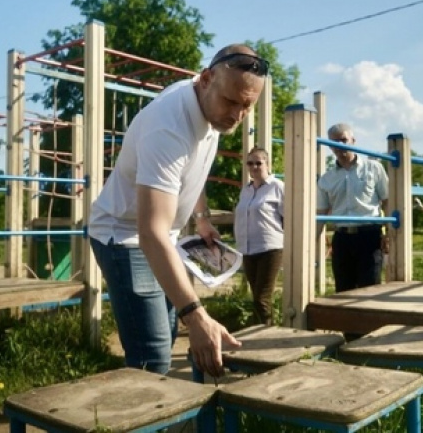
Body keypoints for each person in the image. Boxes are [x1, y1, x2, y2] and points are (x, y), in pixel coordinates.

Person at [87, 44, 267, 377]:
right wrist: (197, 316)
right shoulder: (167, 127)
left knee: (166, 334)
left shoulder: (209, 106)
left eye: (247, 105)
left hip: (162, 236)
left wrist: (200, 218)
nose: (236, 115)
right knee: (152, 353)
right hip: (124, 235)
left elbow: (188, 174)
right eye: (230, 101)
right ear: (206, 79)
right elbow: (150, 232)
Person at [317, 123, 389, 293]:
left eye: (344, 140)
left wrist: (391, 234)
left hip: (369, 236)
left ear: (353, 141)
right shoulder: (327, 178)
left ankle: (371, 320)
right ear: (330, 146)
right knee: (343, 290)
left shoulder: (373, 168)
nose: (340, 145)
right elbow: (320, 212)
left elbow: (388, 200)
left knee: (370, 289)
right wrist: (311, 243)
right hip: (342, 238)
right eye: (335, 142)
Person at [233, 147, 285, 325]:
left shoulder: (277, 187)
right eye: (250, 163)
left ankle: (266, 333)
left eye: (258, 163)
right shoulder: (245, 190)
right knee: (256, 295)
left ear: (267, 164)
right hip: (248, 248)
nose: (254, 167)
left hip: (270, 248)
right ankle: (260, 329)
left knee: (262, 298)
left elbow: (288, 217)